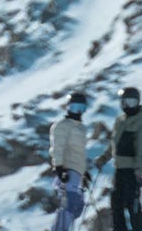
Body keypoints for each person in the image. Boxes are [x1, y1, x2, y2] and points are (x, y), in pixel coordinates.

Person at [108, 85, 142, 231]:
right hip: (119, 169)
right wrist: (104, 158)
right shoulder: (120, 121)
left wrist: (140, 171)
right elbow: (115, 143)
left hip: (133, 170)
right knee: (116, 204)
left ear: (138, 102)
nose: (128, 106)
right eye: (125, 102)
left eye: (132, 102)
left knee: (132, 204)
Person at [49, 89, 90, 231]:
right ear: (67, 107)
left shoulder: (82, 128)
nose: (77, 111)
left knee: (77, 207)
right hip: (67, 171)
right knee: (69, 205)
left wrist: (84, 172)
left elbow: (79, 153)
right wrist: (59, 168)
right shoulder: (61, 126)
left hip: (77, 173)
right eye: (74, 107)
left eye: (81, 108)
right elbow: (58, 148)